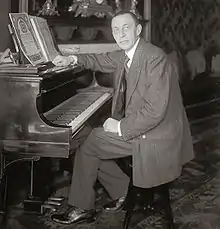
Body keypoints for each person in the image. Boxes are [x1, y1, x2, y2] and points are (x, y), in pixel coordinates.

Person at [51, 10, 194, 225]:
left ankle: (82, 207)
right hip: (147, 125)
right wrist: (71, 58)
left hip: (157, 134)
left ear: (138, 30)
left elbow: (154, 112)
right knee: (89, 138)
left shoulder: (154, 59)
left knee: (90, 143)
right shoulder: (126, 53)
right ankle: (122, 190)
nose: (120, 33)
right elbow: (99, 60)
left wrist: (119, 127)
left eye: (126, 27)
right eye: (116, 29)